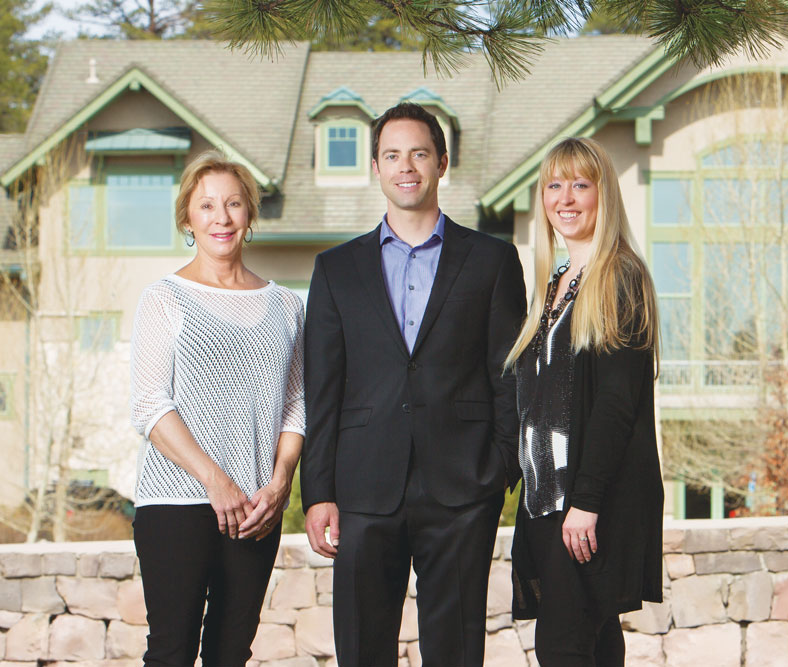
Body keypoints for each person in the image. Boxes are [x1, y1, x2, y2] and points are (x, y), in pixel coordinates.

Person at [301, 102, 526, 666]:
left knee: (455, 653)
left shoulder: (493, 261)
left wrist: (500, 466)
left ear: (442, 163)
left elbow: (509, 374)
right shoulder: (336, 269)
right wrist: (319, 491)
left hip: (461, 487)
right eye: (393, 155)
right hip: (363, 488)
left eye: (419, 153)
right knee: (362, 649)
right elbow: (323, 389)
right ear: (376, 167)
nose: (407, 166)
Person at [129, 150, 305, 667]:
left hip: (255, 510)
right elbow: (150, 404)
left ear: (249, 215)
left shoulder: (286, 305)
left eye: (233, 204)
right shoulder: (164, 298)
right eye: (206, 206)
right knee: (172, 651)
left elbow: (297, 403)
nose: (221, 218)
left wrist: (280, 483)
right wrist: (214, 480)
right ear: (188, 217)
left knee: (231, 654)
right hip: (176, 504)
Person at [505, 137, 663, 666]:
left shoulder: (619, 276)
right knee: (591, 643)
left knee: (563, 647)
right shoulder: (555, 286)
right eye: (554, 185)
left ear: (604, 195)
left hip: (588, 503)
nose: (565, 198)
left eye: (580, 184)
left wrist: (587, 502)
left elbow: (618, 404)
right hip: (550, 503)